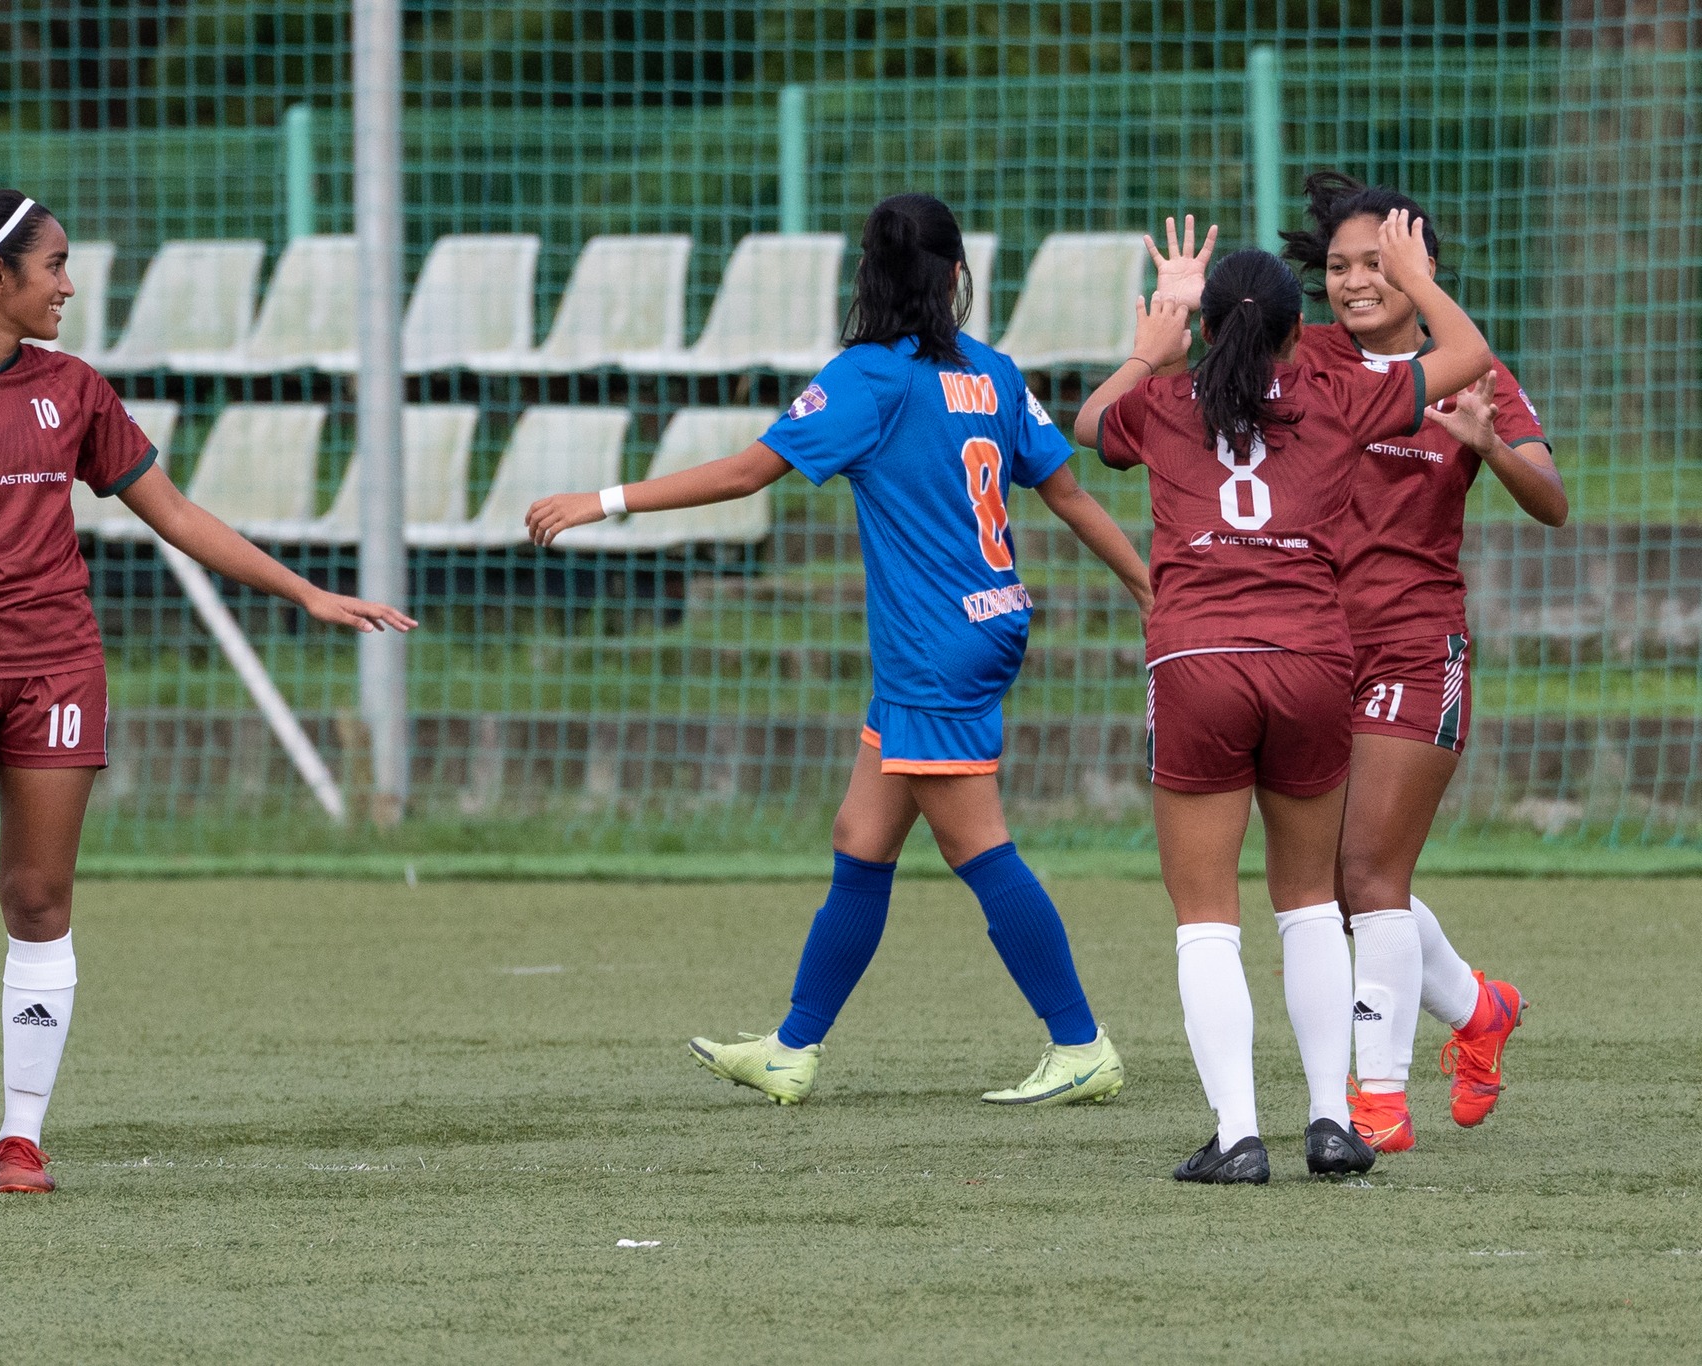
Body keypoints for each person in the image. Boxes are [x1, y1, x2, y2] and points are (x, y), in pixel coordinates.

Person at [0, 190, 414, 1194]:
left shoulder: (74, 389)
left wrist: (305, 592)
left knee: (37, 896)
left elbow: (174, 512)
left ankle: (25, 1136)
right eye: (53, 266)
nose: (68, 285)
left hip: (55, 663)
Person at [525, 193, 1154, 1108]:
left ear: (867, 277)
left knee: (981, 849)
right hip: (981, 623)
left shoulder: (868, 378)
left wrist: (605, 500)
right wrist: (1144, 585)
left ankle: (1081, 1043)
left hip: (935, 646)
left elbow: (749, 471)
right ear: (956, 278)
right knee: (861, 840)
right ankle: (792, 1046)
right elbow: (1069, 496)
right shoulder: (994, 371)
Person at [1073, 212, 1494, 1182]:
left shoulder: (1168, 398)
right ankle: (1327, 1120)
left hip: (1197, 663)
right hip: (1312, 658)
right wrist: (1412, 275)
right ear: (1297, 328)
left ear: (1208, 329)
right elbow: (1468, 353)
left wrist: (1151, 343)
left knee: (1204, 915)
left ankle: (1235, 1136)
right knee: (1308, 904)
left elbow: (1089, 429)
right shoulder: (1339, 388)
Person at [1277, 172, 1562, 1152]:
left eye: (1378, 264)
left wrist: (1492, 443)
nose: (1353, 282)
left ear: (1419, 270)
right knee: (1347, 882)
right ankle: (1477, 1009)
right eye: (1340, 265)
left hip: (1414, 643)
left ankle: (1375, 1099)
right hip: (1311, 646)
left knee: (1364, 872)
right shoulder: (1306, 357)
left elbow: (1551, 500)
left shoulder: (1471, 372)